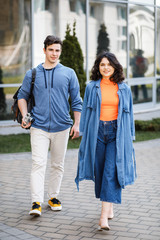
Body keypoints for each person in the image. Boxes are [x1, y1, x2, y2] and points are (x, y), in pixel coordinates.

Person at [18, 35, 82, 216]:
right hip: (38, 126)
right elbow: (22, 96)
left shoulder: (69, 73)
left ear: (60, 52)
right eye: (51, 50)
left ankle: (53, 197)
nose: (54, 53)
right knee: (38, 163)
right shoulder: (32, 73)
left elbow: (77, 101)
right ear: (44, 50)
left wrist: (77, 124)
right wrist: (25, 116)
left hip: (62, 127)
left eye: (57, 50)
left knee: (57, 164)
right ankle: (36, 202)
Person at [75, 52, 137, 230]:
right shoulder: (91, 87)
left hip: (116, 134)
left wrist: (130, 137)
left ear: (115, 66)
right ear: (98, 67)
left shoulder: (123, 88)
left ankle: (103, 218)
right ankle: (108, 207)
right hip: (97, 132)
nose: (106, 67)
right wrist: (83, 133)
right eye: (102, 64)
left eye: (109, 64)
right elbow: (86, 113)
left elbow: (129, 114)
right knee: (101, 172)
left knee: (111, 171)